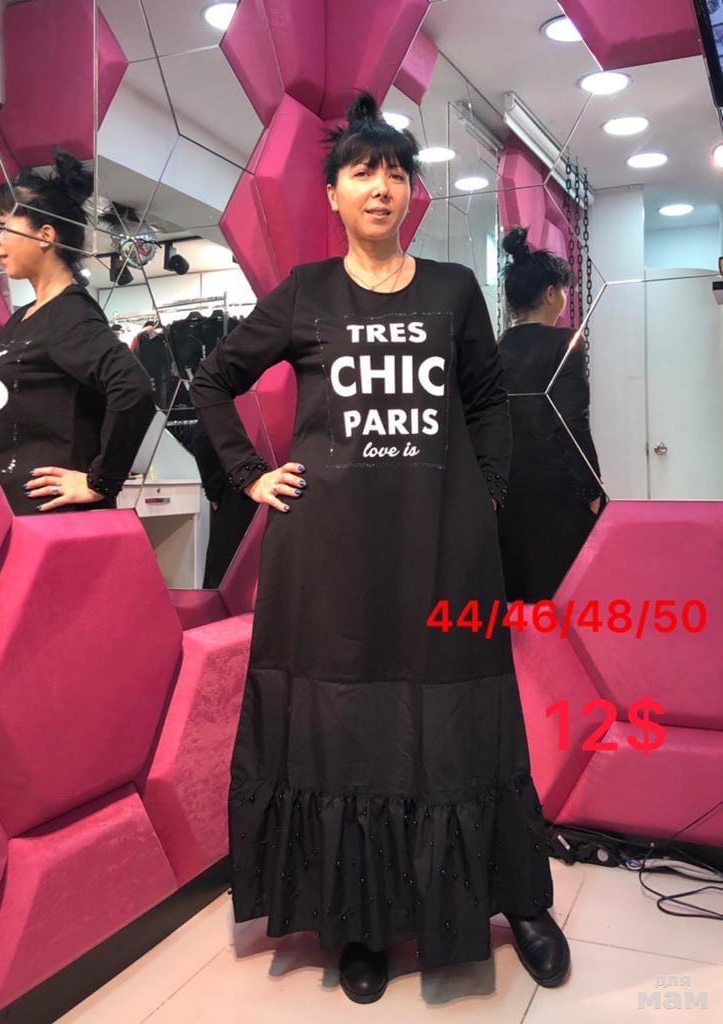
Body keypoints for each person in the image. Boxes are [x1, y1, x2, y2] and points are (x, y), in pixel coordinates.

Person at [190, 94, 570, 1003]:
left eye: (396, 172)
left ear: (409, 194)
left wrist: (486, 488)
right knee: (348, 726)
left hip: (442, 546)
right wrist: (250, 476)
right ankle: (356, 917)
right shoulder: (304, 294)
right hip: (328, 558)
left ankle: (518, 900)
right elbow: (211, 381)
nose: (382, 186)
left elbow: (487, 400)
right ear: (332, 193)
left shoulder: (452, 290)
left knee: (466, 717)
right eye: (362, 171)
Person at [0, 150, 155, 515]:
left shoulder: (68, 313)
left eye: (2, 225)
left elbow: (134, 388)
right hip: (8, 511)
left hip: (48, 518)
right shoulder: (24, 317)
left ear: (45, 235)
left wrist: (100, 481)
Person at [497, 227, 605, 603]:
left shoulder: (497, 347)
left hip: (507, 488)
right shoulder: (565, 341)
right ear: (549, 293)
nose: (564, 298)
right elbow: (572, 420)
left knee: (517, 598)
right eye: (563, 291)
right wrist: (592, 488)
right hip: (555, 490)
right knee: (563, 593)